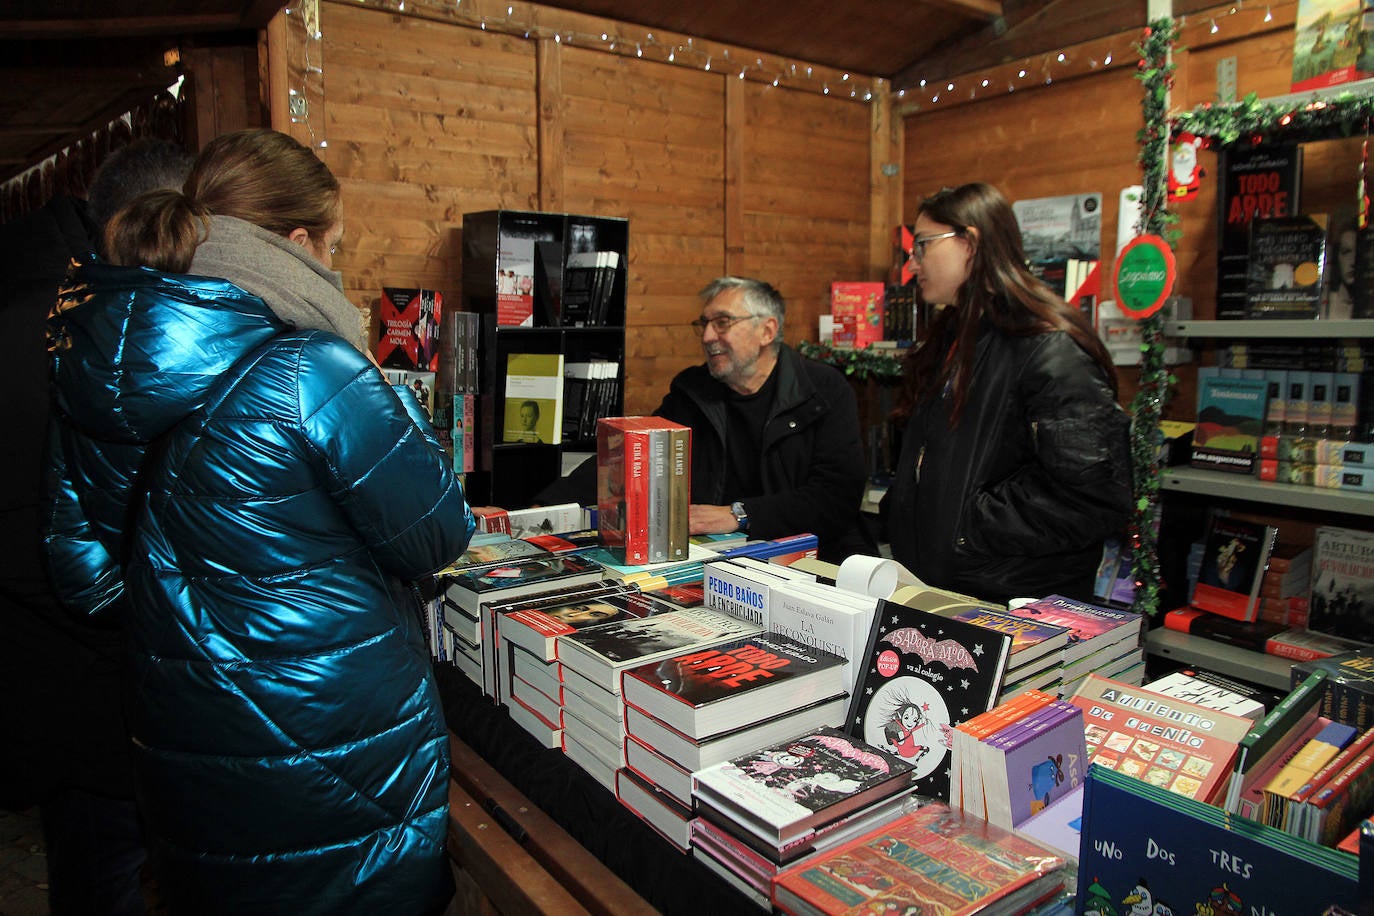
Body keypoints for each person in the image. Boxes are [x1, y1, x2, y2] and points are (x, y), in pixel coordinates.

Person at [44, 128, 474, 913]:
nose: (336, 267)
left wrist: (206, 614)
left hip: (185, 744)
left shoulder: (93, 362)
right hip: (335, 737)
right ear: (300, 240)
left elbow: (87, 580)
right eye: (335, 245)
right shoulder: (313, 367)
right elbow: (438, 532)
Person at [1, 136, 193, 915]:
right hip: (112, 687)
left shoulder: (33, 303)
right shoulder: (111, 329)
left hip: (44, 686)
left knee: (89, 872)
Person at [883, 182, 1131, 603]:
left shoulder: (1048, 346)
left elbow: (1089, 494)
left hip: (1014, 603)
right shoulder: (953, 336)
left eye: (923, 245)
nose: (913, 262)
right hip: (943, 588)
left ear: (971, 242)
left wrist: (966, 522)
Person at [536, 276, 871, 563]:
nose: (708, 336)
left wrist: (739, 515)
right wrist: (538, 511)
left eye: (722, 323)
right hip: (717, 559)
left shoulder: (823, 391)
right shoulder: (692, 391)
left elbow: (835, 498)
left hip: (816, 561)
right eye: (704, 324)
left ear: (767, 330)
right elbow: (630, 459)